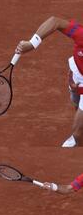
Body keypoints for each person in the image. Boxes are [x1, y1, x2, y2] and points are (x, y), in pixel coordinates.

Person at [15, 16, 83, 147]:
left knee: (78, 133)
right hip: (77, 75)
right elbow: (55, 21)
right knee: (76, 103)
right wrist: (32, 43)